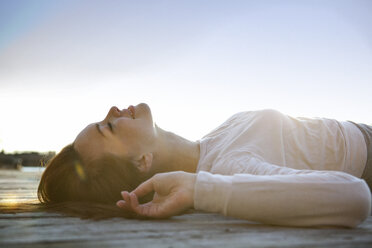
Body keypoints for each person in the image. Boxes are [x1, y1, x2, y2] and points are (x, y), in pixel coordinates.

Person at [37, 103, 372, 228]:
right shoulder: (228, 168)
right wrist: (201, 190)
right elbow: (354, 198)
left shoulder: (212, 144)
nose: (111, 110)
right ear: (143, 162)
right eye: (107, 127)